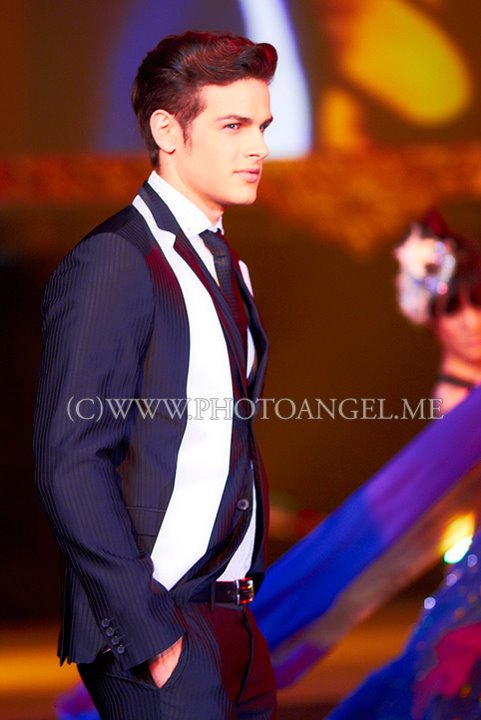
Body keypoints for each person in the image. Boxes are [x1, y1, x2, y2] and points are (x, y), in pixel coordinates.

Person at [33, 31, 277, 720]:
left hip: (234, 620)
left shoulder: (226, 263)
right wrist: (152, 639)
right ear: (168, 131)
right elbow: (69, 461)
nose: (257, 148)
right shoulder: (116, 260)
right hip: (161, 627)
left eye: (262, 127)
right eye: (233, 126)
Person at [326, 209, 481, 719]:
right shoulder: (457, 401)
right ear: (430, 318)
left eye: (478, 305)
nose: (470, 323)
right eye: (453, 309)